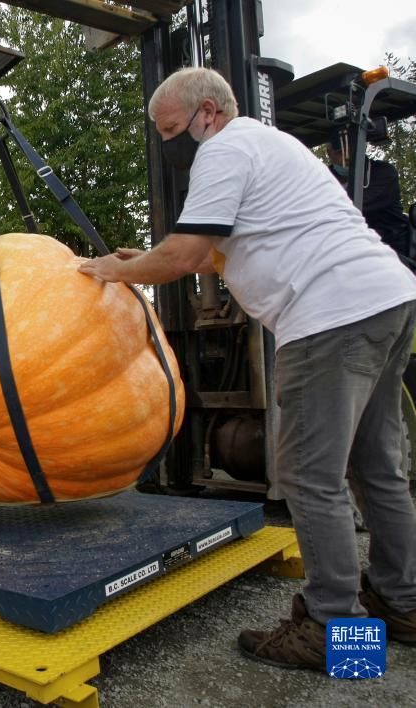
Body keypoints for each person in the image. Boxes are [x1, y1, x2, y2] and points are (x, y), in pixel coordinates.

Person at [79, 67, 416, 670]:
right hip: (385, 297)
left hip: (328, 315)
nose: (169, 144)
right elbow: (212, 247)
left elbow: (184, 256)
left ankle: (335, 631)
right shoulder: (270, 142)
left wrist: (113, 270)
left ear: (208, 112)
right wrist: (148, 258)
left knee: (311, 477)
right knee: (377, 468)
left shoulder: (225, 148)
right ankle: (404, 603)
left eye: (172, 129)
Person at [327, 131, 413, 268]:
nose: (347, 157)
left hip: (389, 244)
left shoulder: (383, 172)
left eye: (351, 151)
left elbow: (355, 205)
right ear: (329, 152)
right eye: (340, 152)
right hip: (344, 245)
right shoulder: (324, 178)